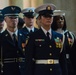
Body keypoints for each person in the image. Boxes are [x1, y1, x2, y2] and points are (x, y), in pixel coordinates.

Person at [25, 3, 68, 75]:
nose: (48, 18)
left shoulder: (59, 36)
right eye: (45, 16)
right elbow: (28, 61)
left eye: (50, 16)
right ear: (39, 18)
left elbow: (63, 61)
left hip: (56, 71)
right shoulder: (33, 36)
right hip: (40, 71)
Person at [0, 6, 26, 75]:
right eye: (11, 18)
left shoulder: (25, 36)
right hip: (7, 71)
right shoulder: (1, 37)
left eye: (16, 17)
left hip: (23, 71)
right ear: (5, 20)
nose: (14, 20)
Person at [51, 10, 76, 75]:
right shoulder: (50, 34)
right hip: (56, 64)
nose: (60, 21)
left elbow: (73, 54)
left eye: (62, 18)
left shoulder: (70, 35)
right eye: (57, 19)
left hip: (68, 64)